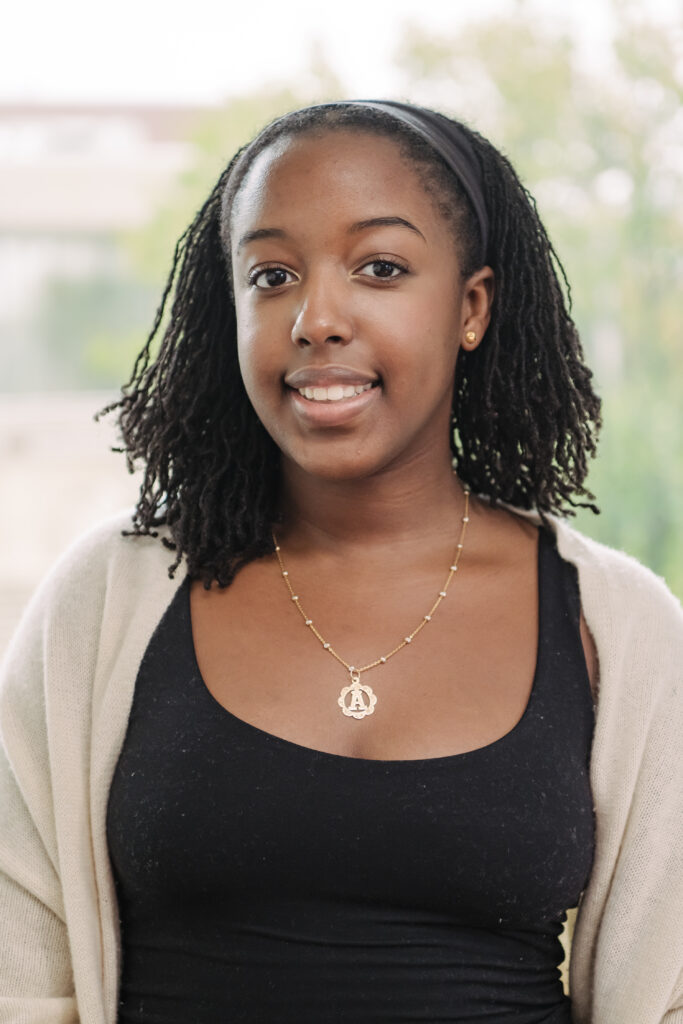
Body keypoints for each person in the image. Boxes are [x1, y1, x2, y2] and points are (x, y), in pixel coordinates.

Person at [0, 100, 681, 1024]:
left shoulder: (617, 628)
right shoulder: (106, 599)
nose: (316, 317)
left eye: (381, 268)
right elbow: (19, 976)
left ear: (470, 307)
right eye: (272, 274)